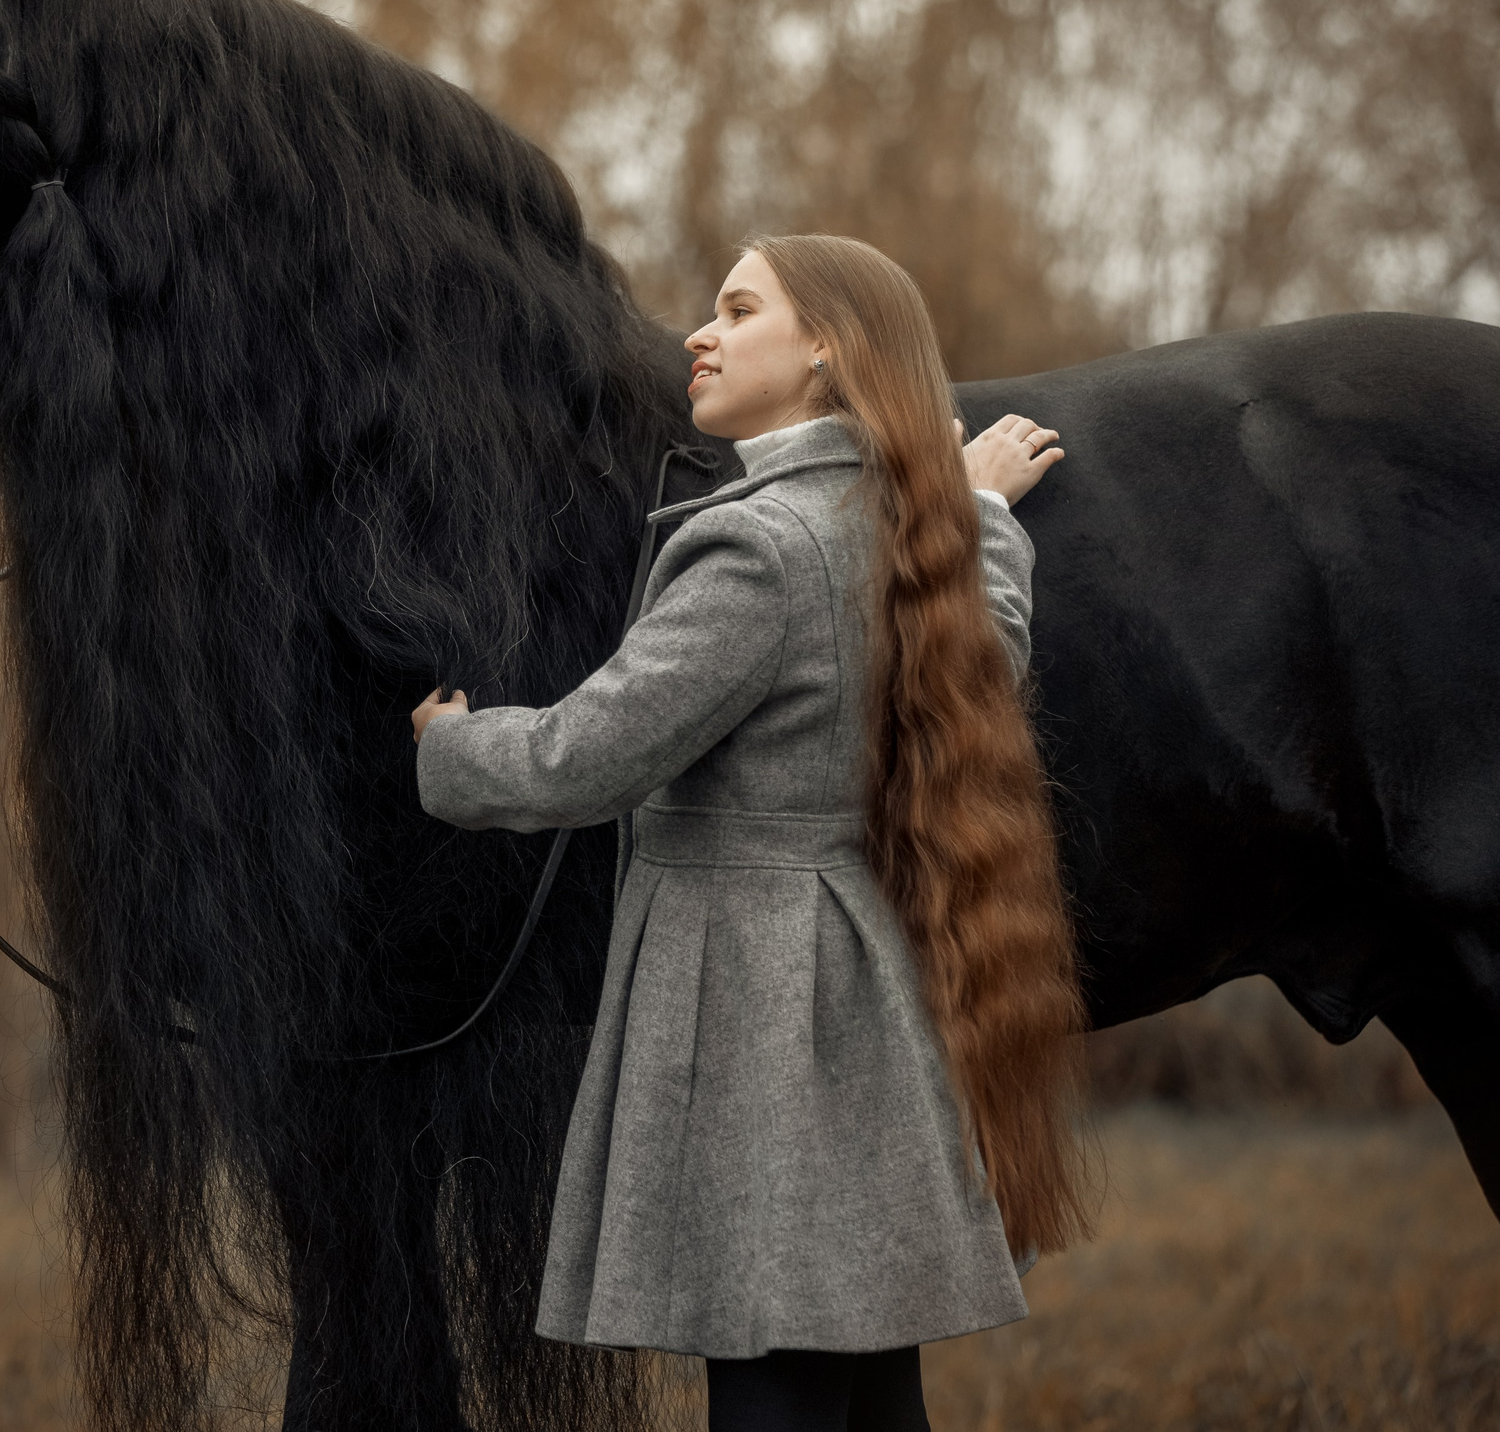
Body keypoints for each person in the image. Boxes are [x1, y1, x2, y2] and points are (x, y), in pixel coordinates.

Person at [412, 234, 1096, 1432]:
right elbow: (992, 662)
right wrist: (981, 508)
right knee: (868, 1380)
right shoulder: (910, 525)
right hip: (868, 991)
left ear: (826, 349)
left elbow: (591, 753)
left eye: (737, 309)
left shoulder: (759, 545)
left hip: (755, 1007)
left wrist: (446, 748)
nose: (699, 333)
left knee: (773, 1375)